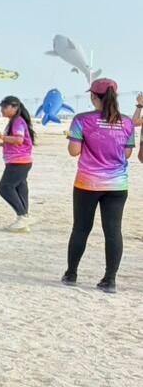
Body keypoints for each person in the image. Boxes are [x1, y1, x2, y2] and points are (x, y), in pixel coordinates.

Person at [63, 77, 134, 292]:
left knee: (81, 228)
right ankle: (109, 280)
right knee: (113, 231)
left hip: (88, 182)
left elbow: (74, 151)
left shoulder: (82, 120)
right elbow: (127, 154)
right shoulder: (127, 122)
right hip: (117, 185)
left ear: (93, 96)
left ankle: (71, 273)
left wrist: (79, 141)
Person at [0, 95, 34, 230]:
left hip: (18, 162)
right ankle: (23, 221)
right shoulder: (14, 121)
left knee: (5, 187)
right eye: (1, 107)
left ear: (15, 107)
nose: (2, 109)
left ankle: (23, 216)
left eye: (4, 107)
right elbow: (16, 143)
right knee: (20, 188)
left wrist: (1, 137)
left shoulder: (17, 121)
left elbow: (19, 140)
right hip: (21, 161)